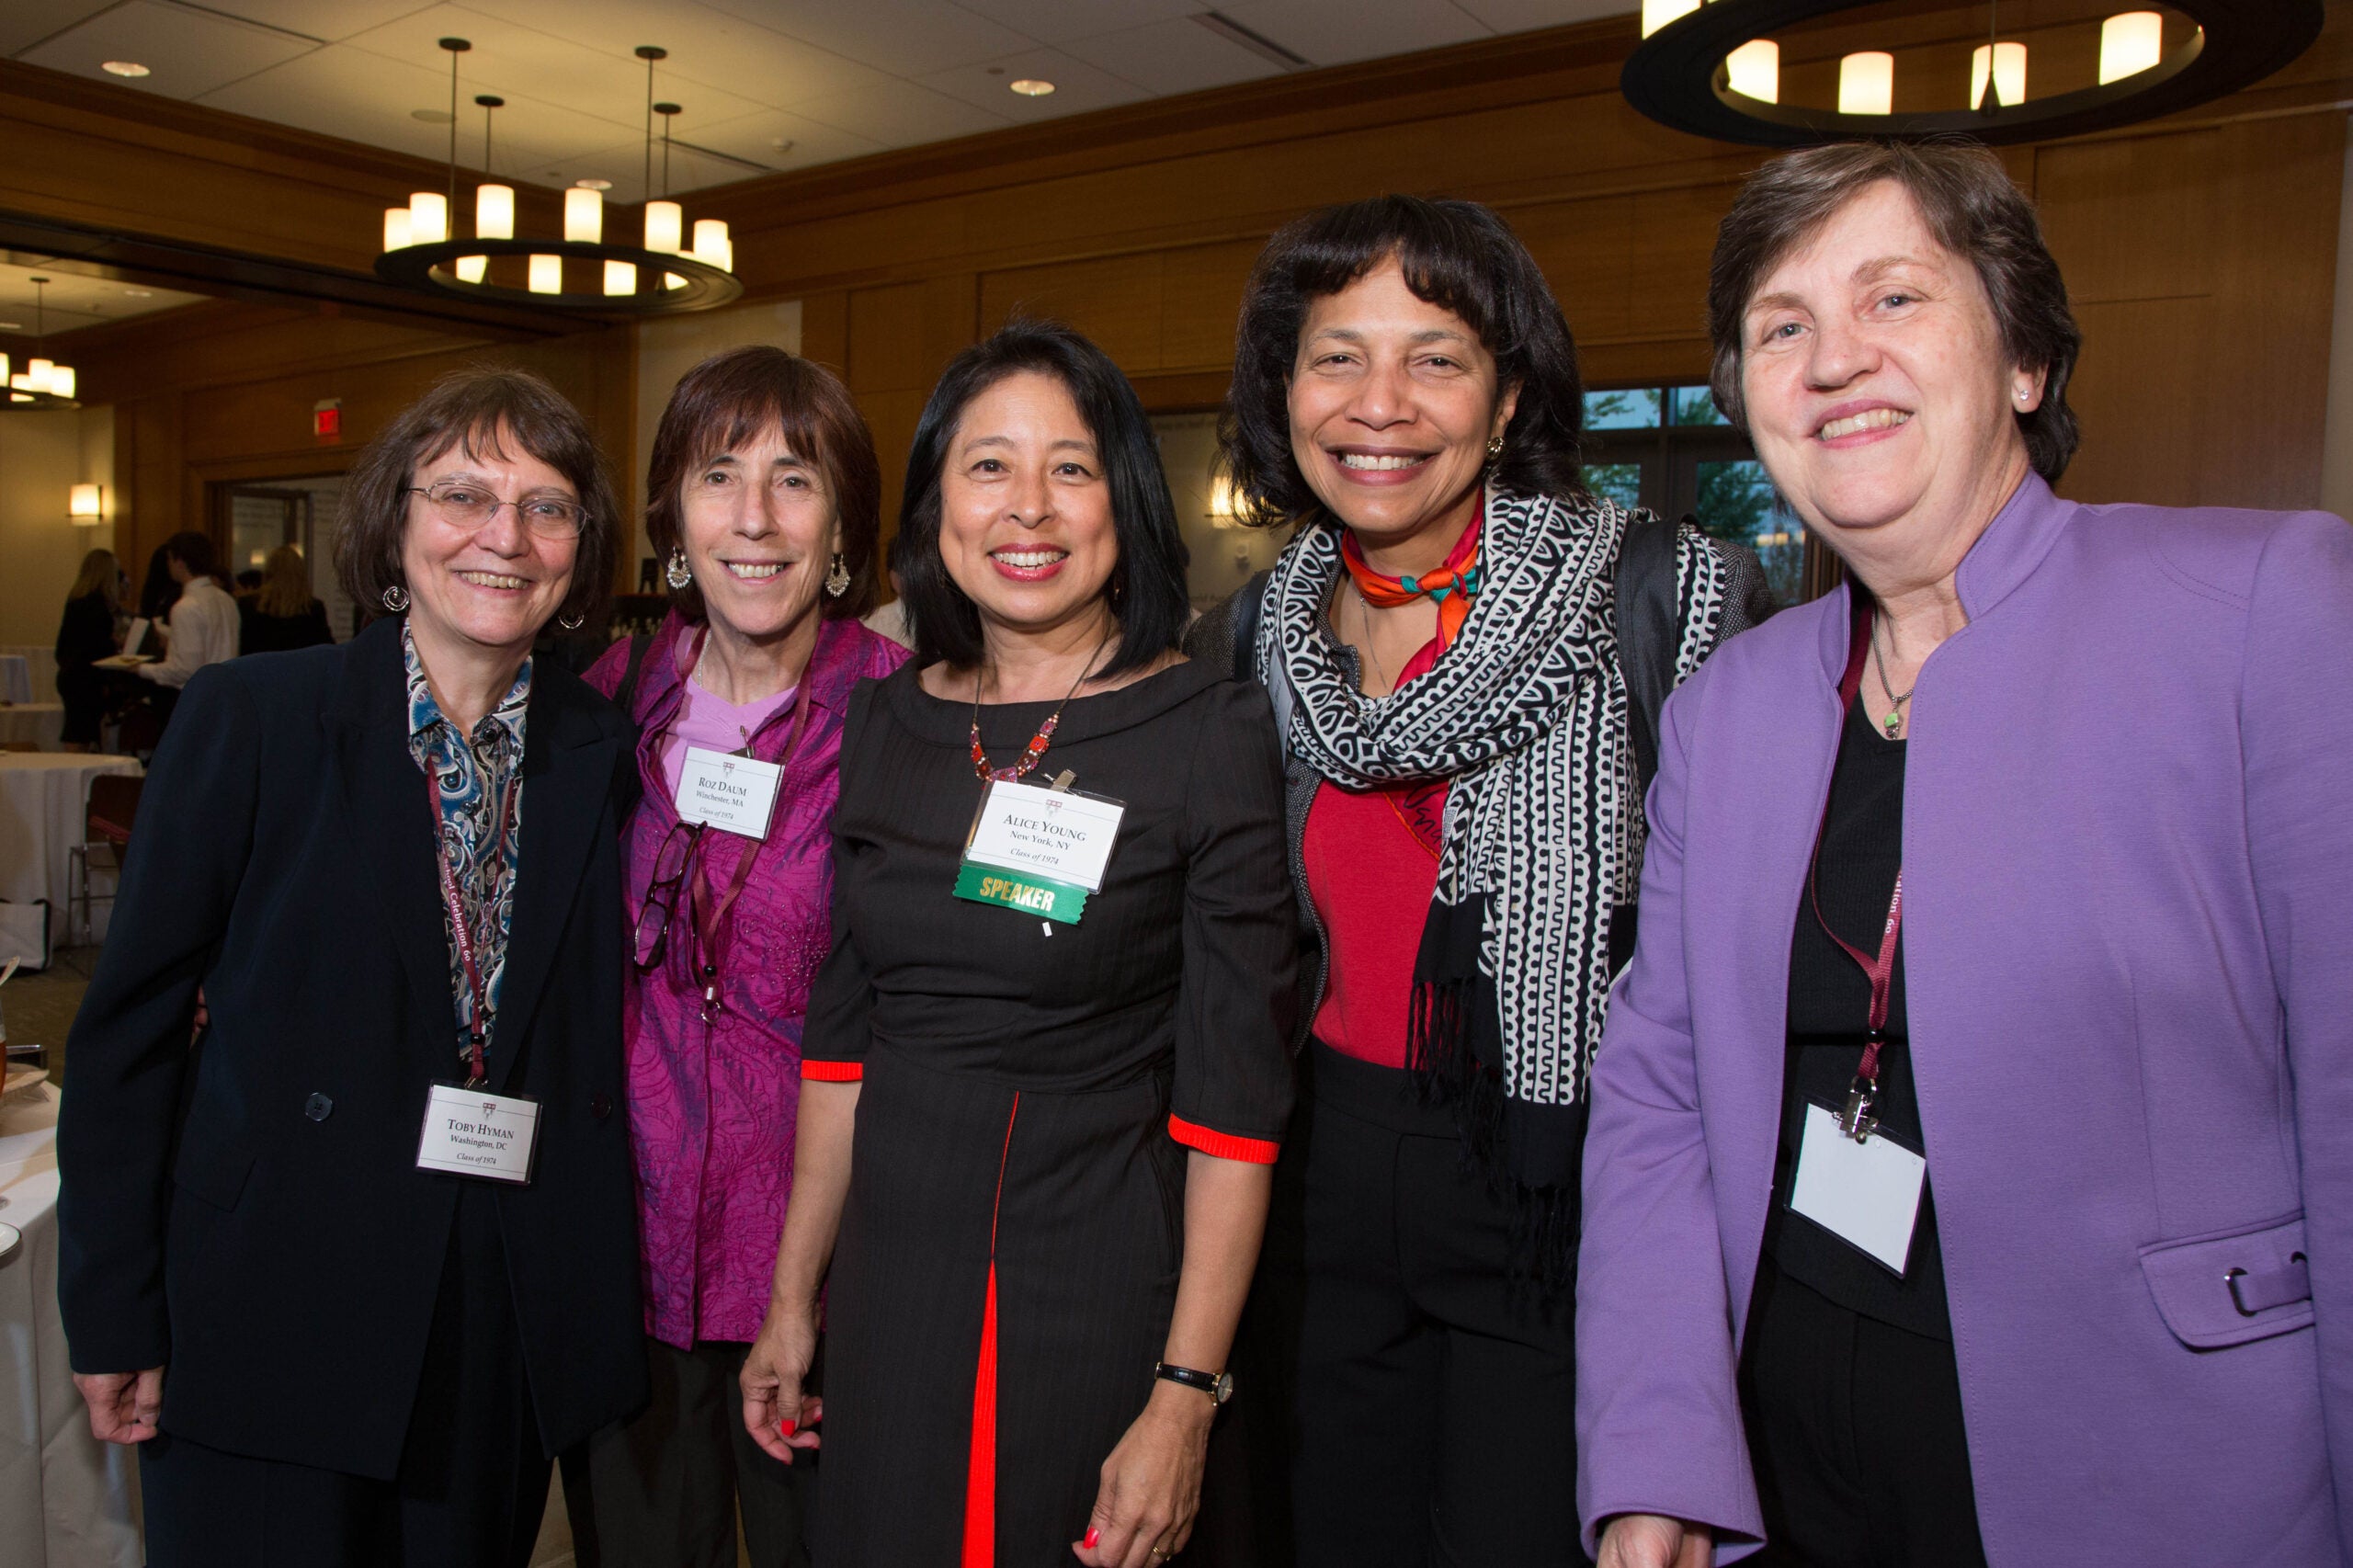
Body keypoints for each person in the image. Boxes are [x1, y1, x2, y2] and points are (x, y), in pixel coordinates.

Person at [1576, 141, 2353, 1568]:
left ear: (2025, 363)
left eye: (1894, 298)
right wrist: (1655, 1447)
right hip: (1780, 1454)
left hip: (2154, 1466)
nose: (1831, 360)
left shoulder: (2261, 611)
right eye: (1782, 327)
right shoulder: (1726, 706)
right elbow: (1659, 1099)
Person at [1185, 195, 1768, 1567]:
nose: (1380, 403)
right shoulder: (1256, 633)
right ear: (1285, 392)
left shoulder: (1673, 597)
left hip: (1560, 1182)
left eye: (1436, 357)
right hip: (1320, 1184)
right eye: (1337, 356)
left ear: (1507, 400)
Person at [57, 367, 648, 1567]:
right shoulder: (256, 717)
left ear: (581, 547)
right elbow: (129, 1031)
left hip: (490, 1308)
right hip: (273, 1292)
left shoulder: (605, 748)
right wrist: (114, 1306)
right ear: (394, 520)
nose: (504, 537)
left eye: (546, 506)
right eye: (464, 495)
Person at [739, 321, 1297, 1568]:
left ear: (1127, 503)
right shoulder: (886, 719)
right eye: (989, 466)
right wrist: (792, 1302)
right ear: (938, 498)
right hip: (891, 1290)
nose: (1027, 506)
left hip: (1096, 1280)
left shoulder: (1205, 727)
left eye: (1072, 467)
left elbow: (1236, 1107)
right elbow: (842, 1044)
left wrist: (1185, 1393)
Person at [567, 347, 906, 1568]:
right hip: (626, 1250)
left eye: (795, 480)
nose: (754, 519)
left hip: (835, 1272)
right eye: (720, 477)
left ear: (842, 526)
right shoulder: (607, 700)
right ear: (673, 515)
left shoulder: (907, 719)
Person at [135, 529, 241, 713]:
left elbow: (185, 670)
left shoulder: (186, 607)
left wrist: (139, 669)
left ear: (180, 563)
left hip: (197, 699)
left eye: (170, 559)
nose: (168, 565)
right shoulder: (226, 600)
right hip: (225, 694)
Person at [55, 547, 123, 750]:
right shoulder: (98, 607)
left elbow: (63, 645)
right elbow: (99, 648)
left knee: (77, 731)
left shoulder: (76, 600)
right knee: (80, 734)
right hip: (87, 679)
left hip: (70, 674)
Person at [240, 542, 335, 653]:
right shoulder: (312, 608)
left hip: (260, 667)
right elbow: (325, 647)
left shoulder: (249, 605)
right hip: (301, 667)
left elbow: (244, 647)